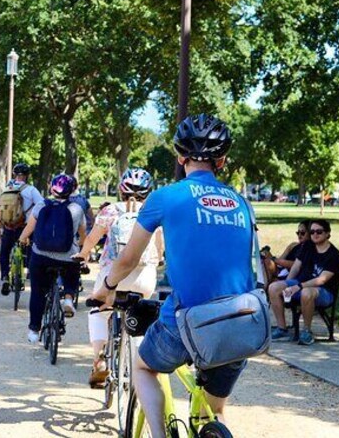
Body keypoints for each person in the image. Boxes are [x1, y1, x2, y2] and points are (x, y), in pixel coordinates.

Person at [90, 113, 254, 436]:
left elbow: (127, 260)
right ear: (222, 161)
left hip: (189, 319)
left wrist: (106, 289)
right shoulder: (242, 203)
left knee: (143, 366)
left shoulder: (164, 197)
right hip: (241, 320)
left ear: (180, 157)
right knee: (214, 410)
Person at [76, 168, 163, 388]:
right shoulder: (154, 212)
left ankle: (99, 360)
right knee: (143, 316)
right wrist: (158, 259)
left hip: (112, 275)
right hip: (144, 277)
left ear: (121, 190)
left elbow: (92, 240)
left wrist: (83, 255)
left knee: (98, 312)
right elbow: (160, 248)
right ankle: (141, 361)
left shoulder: (109, 211)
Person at [19, 173, 86, 343]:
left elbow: (29, 229)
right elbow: (82, 233)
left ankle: (34, 330)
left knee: (38, 292)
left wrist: (23, 239)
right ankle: (69, 298)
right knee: (72, 271)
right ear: (72, 190)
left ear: (52, 188)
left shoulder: (41, 205)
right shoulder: (76, 209)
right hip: (67, 256)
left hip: (41, 256)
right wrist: (83, 249)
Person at [268, 218, 339, 346]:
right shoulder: (308, 246)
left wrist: (298, 286)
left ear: (327, 234)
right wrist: (287, 284)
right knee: (274, 287)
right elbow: (296, 266)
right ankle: (282, 328)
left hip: (323, 292)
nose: (314, 234)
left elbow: (321, 280)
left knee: (306, 293)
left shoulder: (334, 255)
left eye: (319, 232)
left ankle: (307, 332)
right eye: (312, 231)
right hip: (300, 284)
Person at [0, 163, 45, 295]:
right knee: (33, 249)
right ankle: (30, 272)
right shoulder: (31, 190)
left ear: (14, 175)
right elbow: (42, 205)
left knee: (4, 252)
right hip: (25, 227)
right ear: (27, 176)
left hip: (9, 227)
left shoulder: (7, 189)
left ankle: (5, 276)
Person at [261, 219, 310, 288]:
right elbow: (280, 259)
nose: (299, 236)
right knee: (266, 261)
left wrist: (273, 259)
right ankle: (263, 287)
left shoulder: (310, 249)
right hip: (282, 270)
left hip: (293, 274)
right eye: (297, 233)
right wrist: (269, 256)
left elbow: (296, 265)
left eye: (302, 233)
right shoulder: (293, 245)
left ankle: (265, 288)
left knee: (273, 280)